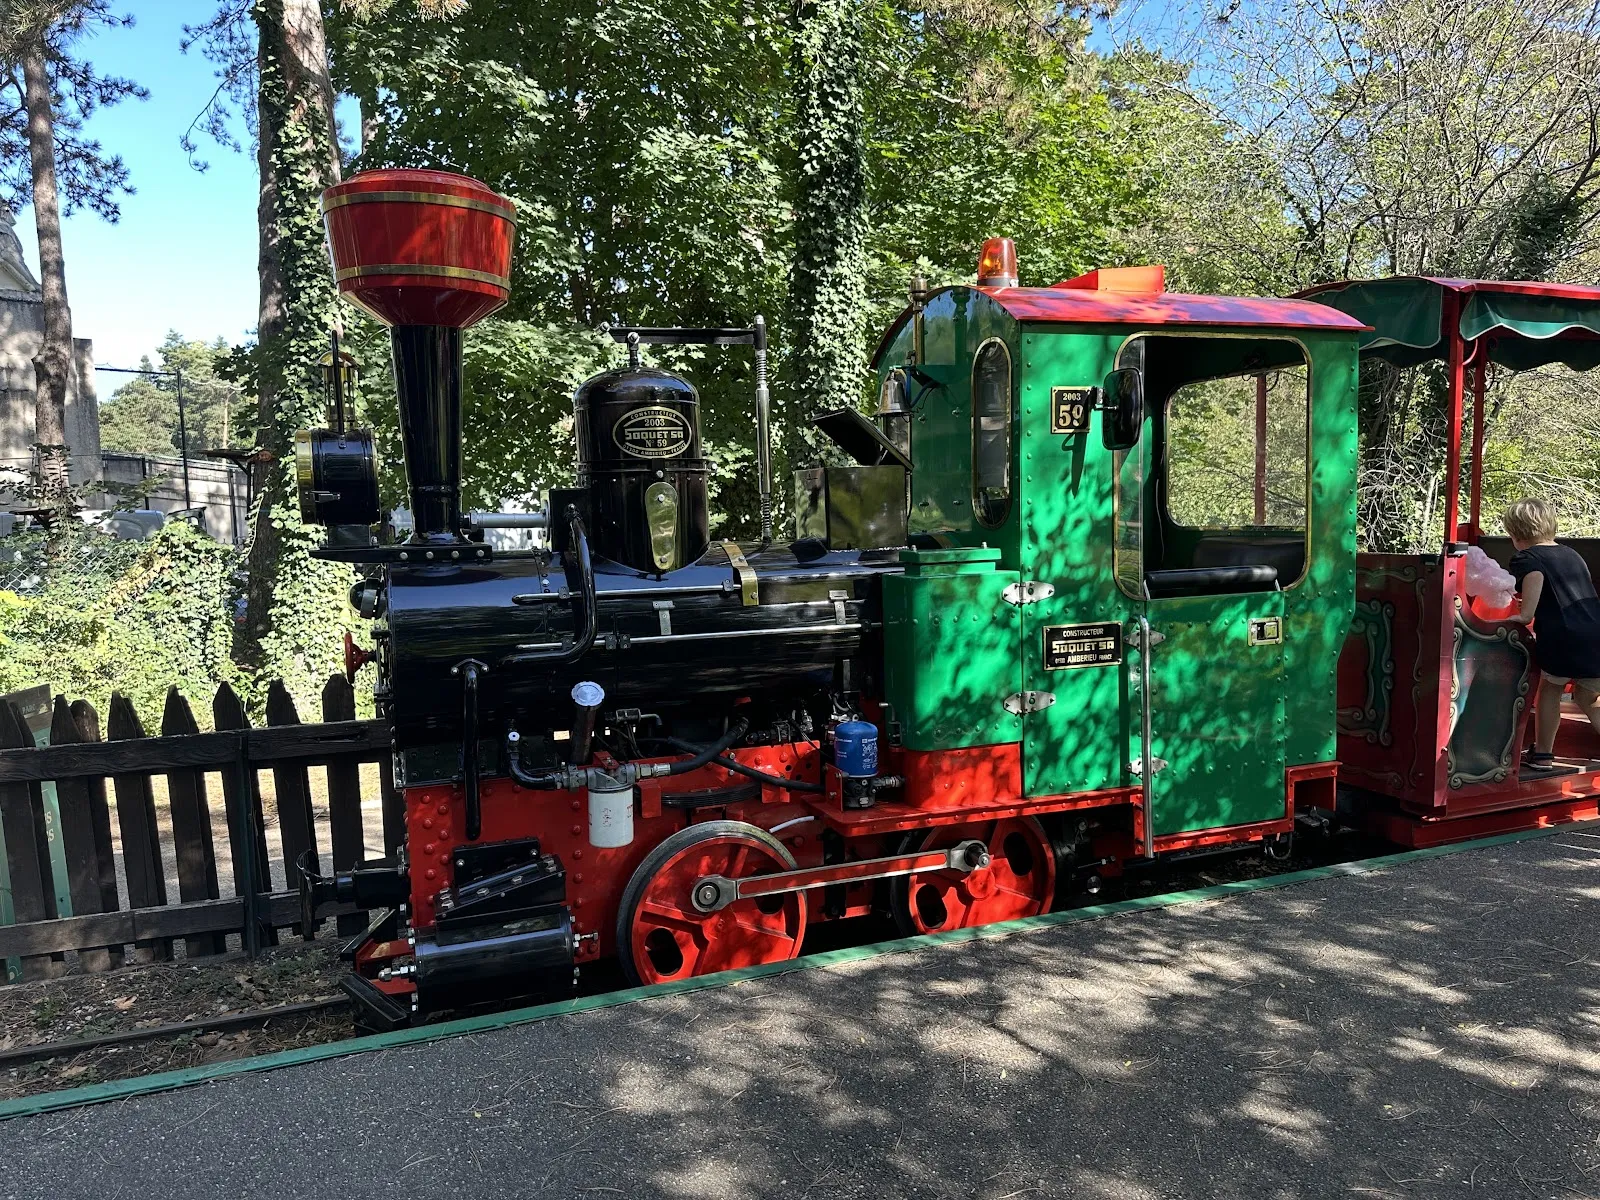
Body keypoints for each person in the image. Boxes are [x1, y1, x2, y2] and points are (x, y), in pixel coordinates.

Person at [1503, 498, 1600, 768]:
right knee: (1587, 696)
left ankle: (1543, 754)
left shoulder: (1527, 558)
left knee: (1550, 690)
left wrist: (1525, 615)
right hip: (1595, 632)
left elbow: (1535, 577)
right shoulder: (1572, 554)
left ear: (1514, 534)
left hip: (1563, 636)